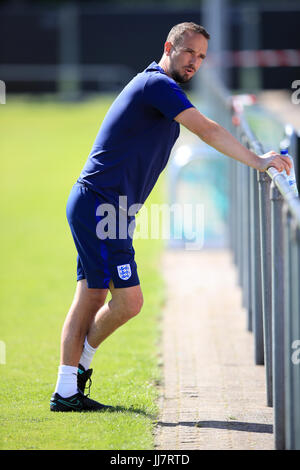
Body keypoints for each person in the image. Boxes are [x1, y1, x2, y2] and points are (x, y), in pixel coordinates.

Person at [50, 22, 292, 412]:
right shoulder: (156, 85)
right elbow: (208, 130)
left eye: (201, 57)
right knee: (124, 301)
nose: (195, 62)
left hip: (110, 210)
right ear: (169, 47)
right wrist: (259, 162)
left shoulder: (165, 89)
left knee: (96, 295)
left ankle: (70, 383)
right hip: (99, 206)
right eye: (189, 53)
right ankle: (69, 384)